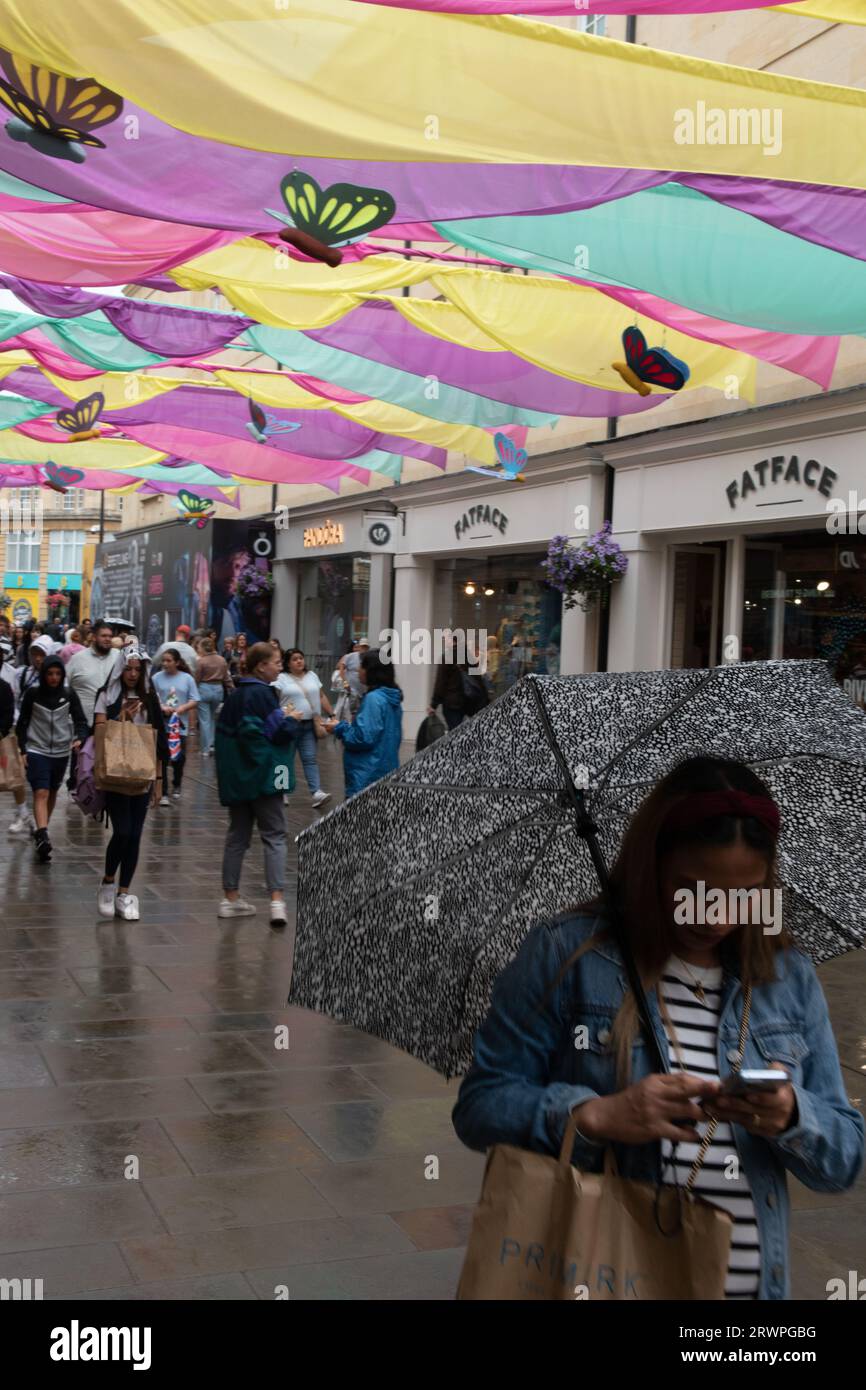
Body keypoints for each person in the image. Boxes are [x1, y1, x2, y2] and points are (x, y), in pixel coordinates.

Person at [452, 756, 865, 1301]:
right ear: (652, 864)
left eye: (743, 895)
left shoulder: (786, 976)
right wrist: (595, 1116)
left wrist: (792, 1115)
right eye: (694, 889)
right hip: (605, 1276)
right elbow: (480, 1107)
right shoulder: (567, 955)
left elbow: (844, 1160)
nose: (716, 916)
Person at [215, 641, 303, 926]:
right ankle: (277, 902)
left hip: (238, 781)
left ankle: (230, 898)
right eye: (276, 661)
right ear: (261, 666)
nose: (280, 665)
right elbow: (276, 734)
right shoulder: (264, 695)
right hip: (266, 778)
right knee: (275, 836)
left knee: (237, 837)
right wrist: (292, 719)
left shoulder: (234, 696)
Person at [93, 648, 167, 921]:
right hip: (114, 775)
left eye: (137, 669)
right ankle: (108, 881)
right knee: (122, 832)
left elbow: (158, 741)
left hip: (142, 774)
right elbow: (99, 732)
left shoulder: (150, 698)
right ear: (120, 670)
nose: (133, 674)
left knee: (135, 835)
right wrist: (121, 716)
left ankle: (124, 893)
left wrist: (159, 782)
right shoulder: (107, 695)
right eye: (128, 669)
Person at [16, 655, 88, 862]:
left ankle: (41, 831)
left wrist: (79, 738)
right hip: (36, 750)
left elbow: (81, 720)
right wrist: (23, 750)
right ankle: (43, 834)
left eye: (57, 674)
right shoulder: (33, 694)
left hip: (61, 753)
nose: (54, 678)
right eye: (50, 673)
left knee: (53, 790)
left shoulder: (69, 694)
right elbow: (22, 723)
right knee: (41, 791)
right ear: (43, 674)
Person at [324, 648, 402, 798]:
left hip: (366, 776)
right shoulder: (392, 699)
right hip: (385, 771)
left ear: (371, 671)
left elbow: (362, 738)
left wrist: (339, 727)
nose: (358, 670)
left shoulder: (374, 699)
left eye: (361, 666)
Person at [272, 648, 333, 809]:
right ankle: (280, 791)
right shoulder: (281, 678)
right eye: (294, 659)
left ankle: (316, 792)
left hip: (309, 724)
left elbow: (321, 696)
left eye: (301, 658)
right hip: (289, 725)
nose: (299, 661)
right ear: (288, 663)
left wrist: (332, 714)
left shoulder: (312, 675)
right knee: (285, 758)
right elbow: (273, 699)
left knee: (310, 759)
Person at [151, 649, 198, 805]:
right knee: (162, 758)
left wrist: (183, 708)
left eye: (169, 660)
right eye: (163, 660)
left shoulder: (187, 679)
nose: (165, 663)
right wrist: (162, 707)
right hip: (162, 724)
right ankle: (163, 792)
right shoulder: (156, 678)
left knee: (179, 757)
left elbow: (195, 699)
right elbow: (152, 697)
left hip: (179, 726)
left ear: (177, 662)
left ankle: (176, 783)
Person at [66, 620, 123, 728]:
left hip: (112, 726)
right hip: (83, 726)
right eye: (104, 636)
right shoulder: (77, 659)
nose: (107, 639)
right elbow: (64, 688)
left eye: (110, 636)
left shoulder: (119, 658)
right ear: (94, 637)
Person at [428, 634, 488, 731]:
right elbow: (478, 678)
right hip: (468, 702)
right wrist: (485, 698)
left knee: (454, 732)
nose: (445, 642)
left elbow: (440, 683)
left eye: (446, 640)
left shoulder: (446, 657)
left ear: (451, 641)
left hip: (452, 703)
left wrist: (433, 704)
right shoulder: (468, 656)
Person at [195, 636, 233, 758]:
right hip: (218, 690)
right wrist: (231, 687)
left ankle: (205, 749)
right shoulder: (222, 660)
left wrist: (193, 690)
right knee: (212, 718)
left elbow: (197, 678)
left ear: (203, 648)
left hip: (204, 689)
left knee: (204, 720)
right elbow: (227, 677)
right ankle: (212, 745)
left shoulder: (201, 661)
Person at [338, 638, 368, 720]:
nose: (364, 649)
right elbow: (340, 667)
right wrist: (345, 682)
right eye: (362, 646)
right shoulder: (349, 656)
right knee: (352, 711)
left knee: (362, 711)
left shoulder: (368, 657)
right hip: (352, 689)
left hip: (364, 690)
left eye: (366, 647)